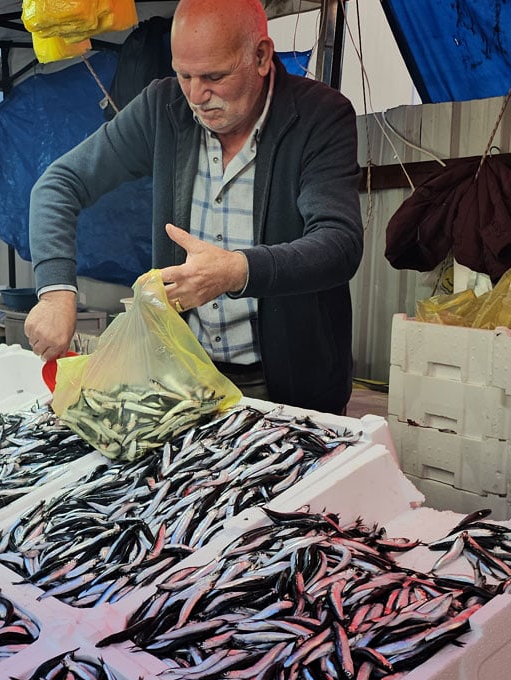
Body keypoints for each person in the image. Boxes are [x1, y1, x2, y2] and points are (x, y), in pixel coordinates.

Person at [25, 0, 362, 414]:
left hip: (293, 389)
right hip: (184, 380)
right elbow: (59, 184)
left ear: (260, 56)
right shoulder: (163, 108)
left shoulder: (319, 116)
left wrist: (235, 272)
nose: (197, 95)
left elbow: (339, 243)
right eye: (184, 74)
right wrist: (56, 293)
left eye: (214, 76)